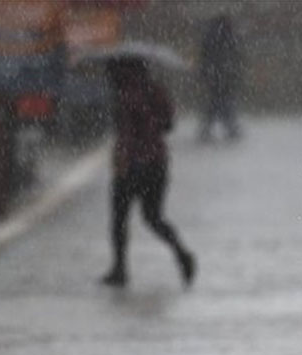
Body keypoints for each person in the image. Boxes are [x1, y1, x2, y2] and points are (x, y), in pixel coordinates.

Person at [101, 57, 195, 288]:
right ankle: (181, 252)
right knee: (154, 217)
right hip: (157, 163)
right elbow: (169, 125)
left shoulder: (123, 95)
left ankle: (120, 269)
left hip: (131, 164)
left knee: (119, 219)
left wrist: (124, 159)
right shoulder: (156, 90)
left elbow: (125, 133)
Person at [197, 13, 241, 142]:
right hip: (224, 75)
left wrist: (205, 73)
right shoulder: (228, 36)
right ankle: (229, 127)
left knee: (215, 102)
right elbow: (234, 55)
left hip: (215, 75)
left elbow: (204, 56)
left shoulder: (210, 36)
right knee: (223, 102)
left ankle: (208, 128)